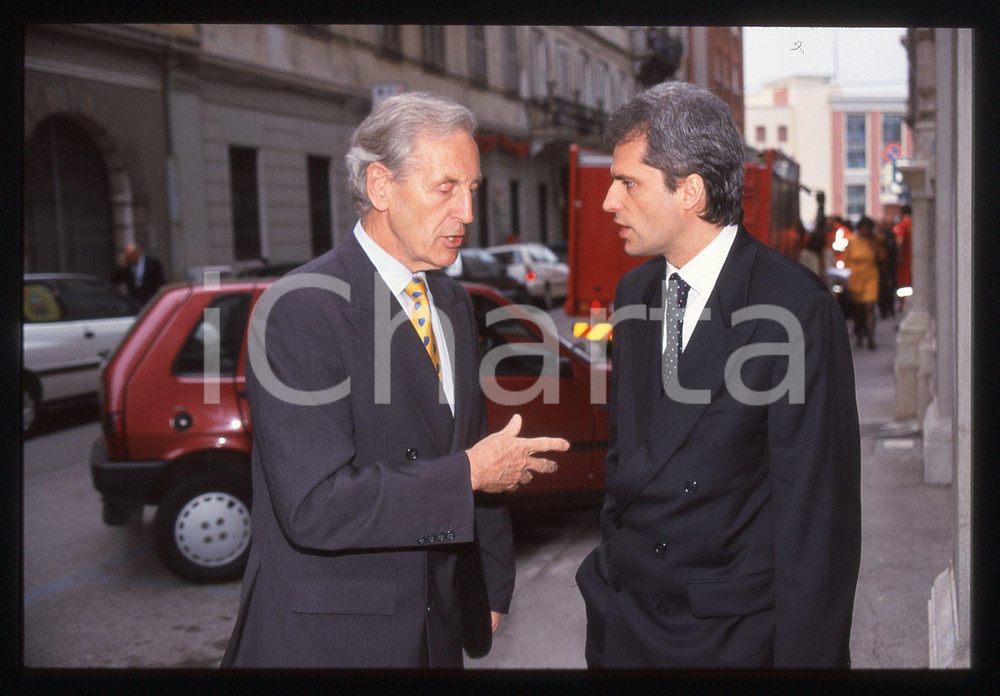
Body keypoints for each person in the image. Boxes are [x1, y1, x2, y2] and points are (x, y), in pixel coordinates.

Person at [221, 92, 569, 669]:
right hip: (334, 643)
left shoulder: (452, 301)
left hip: (434, 629)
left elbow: (472, 450)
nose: (467, 213)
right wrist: (470, 473)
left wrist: (491, 585)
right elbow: (316, 505)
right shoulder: (301, 307)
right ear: (381, 186)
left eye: (473, 190)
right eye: (446, 188)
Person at [575, 81, 861, 669]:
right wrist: (605, 589)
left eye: (627, 182)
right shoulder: (633, 295)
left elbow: (817, 521)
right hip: (628, 627)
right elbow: (625, 464)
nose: (608, 202)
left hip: (728, 641)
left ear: (691, 192)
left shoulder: (794, 307)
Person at [844, 215, 883, 350]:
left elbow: (883, 256)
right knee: (858, 309)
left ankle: (870, 336)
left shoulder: (875, 241)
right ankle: (859, 332)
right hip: (855, 277)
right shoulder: (851, 240)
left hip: (871, 275)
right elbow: (846, 260)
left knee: (869, 306)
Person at [876, 213, 898, 319]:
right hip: (878, 268)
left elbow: (893, 250)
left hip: (888, 266)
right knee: (881, 290)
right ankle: (884, 310)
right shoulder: (875, 237)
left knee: (889, 288)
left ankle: (890, 309)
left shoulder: (889, 235)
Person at [894, 204, 913, 310]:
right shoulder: (915, 222)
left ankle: (904, 305)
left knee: (904, 284)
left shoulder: (903, 223)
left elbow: (899, 241)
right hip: (914, 259)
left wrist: (899, 255)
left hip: (905, 260)